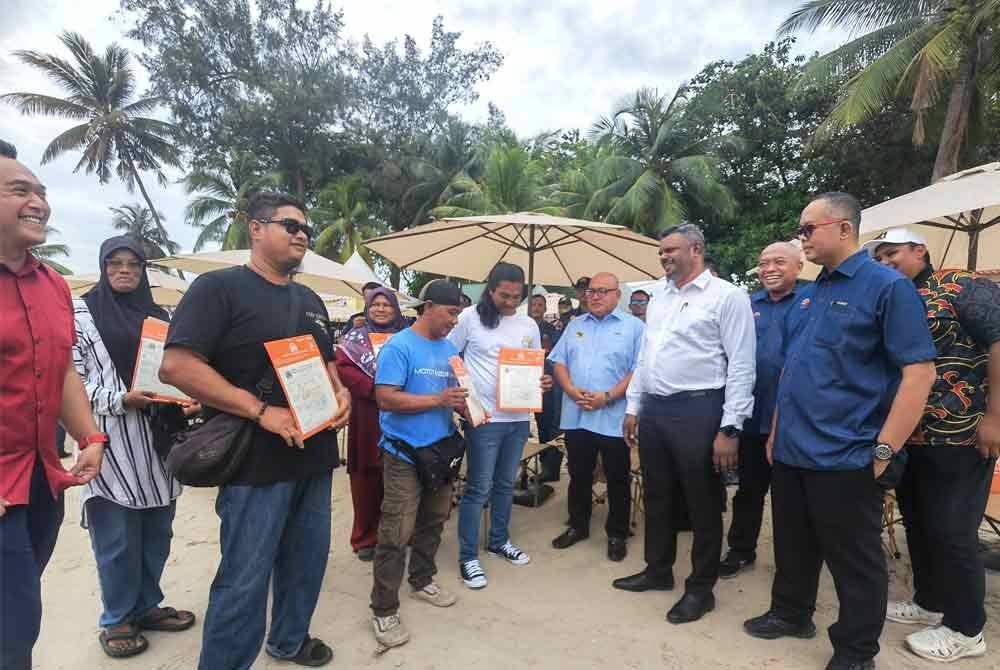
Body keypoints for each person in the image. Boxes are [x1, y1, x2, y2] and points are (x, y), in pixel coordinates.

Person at [743, 194, 937, 670]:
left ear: (844, 229)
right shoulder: (811, 292)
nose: (802, 237)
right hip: (791, 446)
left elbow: (920, 373)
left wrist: (885, 448)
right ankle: (791, 612)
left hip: (846, 451)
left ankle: (854, 651)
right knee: (792, 541)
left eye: (809, 229)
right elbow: (792, 367)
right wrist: (774, 430)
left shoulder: (887, 288)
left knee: (854, 560)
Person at [159, 191, 351, 670]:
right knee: (245, 577)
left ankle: (288, 639)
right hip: (254, 463)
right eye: (290, 225)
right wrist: (261, 411)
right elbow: (177, 365)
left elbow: (325, 362)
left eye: (306, 227)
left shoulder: (309, 299)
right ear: (256, 228)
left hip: (315, 452)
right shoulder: (217, 288)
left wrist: (340, 393)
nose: (302, 234)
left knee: (306, 564)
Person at [868, 227, 1000, 663]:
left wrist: (996, 417)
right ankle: (929, 602)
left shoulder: (961, 286)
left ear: (919, 250)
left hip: (962, 431)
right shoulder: (895, 298)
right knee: (919, 523)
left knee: (952, 530)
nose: (885, 261)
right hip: (911, 433)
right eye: (880, 256)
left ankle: (967, 630)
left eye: (893, 253)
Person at [614, 223, 755, 626]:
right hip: (655, 409)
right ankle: (657, 571)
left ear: (695, 249)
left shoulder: (728, 297)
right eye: (661, 252)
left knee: (703, 501)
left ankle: (700, 588)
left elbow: (742, 365)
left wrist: (730, 428)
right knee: (657, 494)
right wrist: (634, 406)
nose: (664, 257)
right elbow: (645, 357)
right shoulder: (659, 298)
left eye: (670, 250)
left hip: (700, 408)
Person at [1, 149, 106, 670]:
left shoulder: (54, 286)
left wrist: (89, 437)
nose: (38, 202)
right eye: (19, 190)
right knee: (14, 626)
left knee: (21, 608)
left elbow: (62, 368)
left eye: (41, 192)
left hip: (42, 476)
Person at [74, 236, 195, 658]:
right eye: (115, 263)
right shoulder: (79, 313)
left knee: (158, 532)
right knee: (117, 537)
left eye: (133, 264)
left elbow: (173, 370)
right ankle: (117, 617)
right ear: (103, 267)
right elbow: (67, 380)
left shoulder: (157, 315)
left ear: (143, 271)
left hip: (158, 441)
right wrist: (118, 399)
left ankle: (147, 605)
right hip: (108, 442)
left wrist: (186, 392)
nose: (124, 270)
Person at [369, 279, 466, 648]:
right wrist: (439, 400)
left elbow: (454, 396)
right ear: (428, 307)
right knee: (396, 531)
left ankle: (422, 579)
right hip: (403, 453)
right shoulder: (399, 347)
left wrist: (463, 406)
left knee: (434, 521)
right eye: (451, 312)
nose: (455, 320)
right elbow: (386, 399)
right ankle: (384, 609)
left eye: (458, 314)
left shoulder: (450, 349)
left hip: (441, 450)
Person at [450, 262, 552, 589]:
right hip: (485, 419)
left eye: (516, 296)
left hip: (519, 419)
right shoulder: (469, 319)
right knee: (478, 488)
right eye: (504, 295)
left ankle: (498, 540)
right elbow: (449, 357)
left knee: (505, 484)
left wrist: (542, 382)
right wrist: (465, 400)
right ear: (490, 290)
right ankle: (468, 555)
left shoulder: (528, 325)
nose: (510, 302)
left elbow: (534, 367)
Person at [719, 242, 803, 579]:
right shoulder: (745, 304)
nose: (769, 268)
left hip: (794, 420)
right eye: (763, 262)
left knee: (790, 499)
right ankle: (741, 550)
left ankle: (793, 562)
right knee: (749, 491)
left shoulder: (813, 302)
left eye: (778, 262)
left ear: (799, 265)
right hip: (752, 416)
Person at [549, 272, 644, 561]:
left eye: (603, 291)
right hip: (577, 414)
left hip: (613, 416)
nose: (595, 296)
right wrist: (570, 390)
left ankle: (617, 533)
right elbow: (559, 362)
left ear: (617, 295)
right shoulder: (576, 325)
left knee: (617, 477)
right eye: (591, 291)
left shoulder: (634, 327)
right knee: (579, 475)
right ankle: (578, 525)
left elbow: (639, 370)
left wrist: (608, 396)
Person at [335, 287, 407, 562]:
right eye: (375, 304)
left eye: (386, 304)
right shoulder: (353, 339)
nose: (380, 309)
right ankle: (365, 538)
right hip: (367, 417)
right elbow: (344, 368)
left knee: (400, 479)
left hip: (402, 415)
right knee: (366, 478)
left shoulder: (407, 337)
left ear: (395, 309)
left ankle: (397, 534)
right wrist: (377, 391)